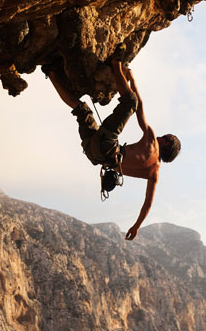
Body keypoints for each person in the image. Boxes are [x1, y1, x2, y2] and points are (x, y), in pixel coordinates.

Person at [45, 58, 181, 241]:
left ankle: (117, 63)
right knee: (82, 110)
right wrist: (136, 226)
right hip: (95, 156)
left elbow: (139, 106)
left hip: (107, 146)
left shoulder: (152, 143)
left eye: (164, 137)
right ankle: (51, 72)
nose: (160, 136)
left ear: (166, 143)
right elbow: (148, 204)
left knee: (130, 102)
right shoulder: (154, 174)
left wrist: (132, 79)